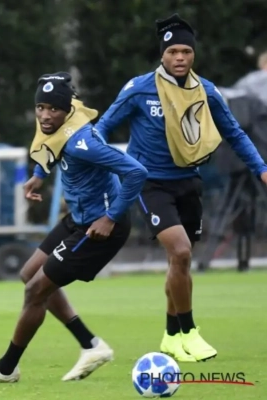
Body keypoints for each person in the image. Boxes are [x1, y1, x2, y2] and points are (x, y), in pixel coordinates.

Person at [93, 14, 267, 363]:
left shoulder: (206, 91)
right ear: (162, 54)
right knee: (182, 251)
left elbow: (234, 133)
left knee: (179, 262)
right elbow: (102, 128)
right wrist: (105, 166)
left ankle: (171, 337)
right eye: (173, 51)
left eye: (186, 51)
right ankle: (189, 331)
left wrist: (261, 168)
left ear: (193, 54)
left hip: (188, 182)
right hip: (149, 183)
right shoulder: (140, 88)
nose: (180, 58)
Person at [0, 72, 147, 384]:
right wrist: (39, 175)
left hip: (99, 227)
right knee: (29, 273)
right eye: (41, 107)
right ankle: (91, 345)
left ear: (67, 110)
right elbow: (49, 146)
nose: (45, 115)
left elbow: (137, 172)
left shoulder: (84, 143)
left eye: (53, 109)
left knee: (35, 290)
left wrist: (110, 217)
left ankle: (6, 369)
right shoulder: (53, 123)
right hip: (79, 218)